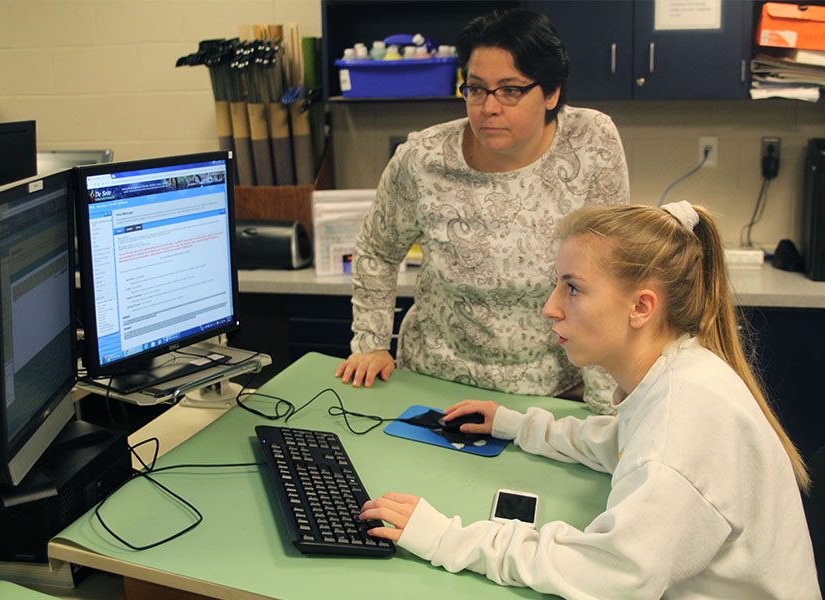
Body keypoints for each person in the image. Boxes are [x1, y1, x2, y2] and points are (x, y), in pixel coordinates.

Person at [359, 202, 820, 599]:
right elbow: (623, 442)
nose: (550, 307)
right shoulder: (683, 369)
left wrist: (447, 538)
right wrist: (518, 427)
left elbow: (612, 576)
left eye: (573, 288)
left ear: (641, 307)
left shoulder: (681, 426)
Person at [334, 8, 630, 413]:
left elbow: (607, 275)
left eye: (509, 90)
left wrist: (605, 407)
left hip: (548, 393)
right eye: (476, 88)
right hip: (434, 385)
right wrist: (371, 344)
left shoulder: (591, 142)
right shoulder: (422, 158)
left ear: (551, 93)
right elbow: (376, 250)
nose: (488, 107)